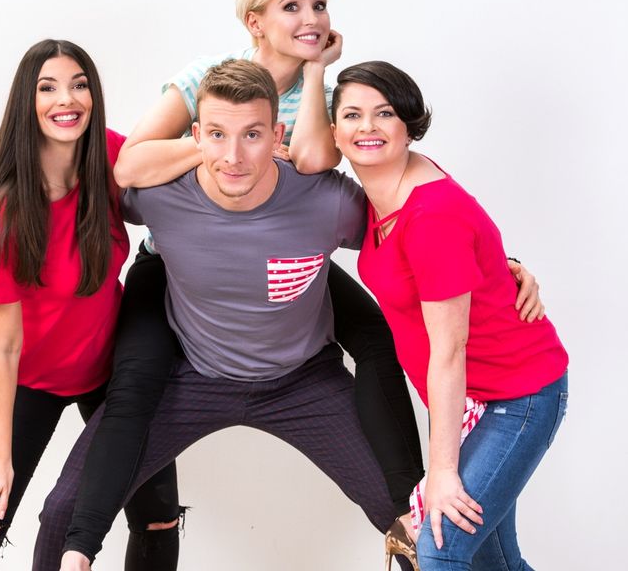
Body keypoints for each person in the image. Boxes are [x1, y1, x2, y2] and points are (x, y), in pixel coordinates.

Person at [58, 0, 544, 566]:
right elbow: (130, 165)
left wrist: (493, 264)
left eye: (319, 5)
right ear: (254, 21)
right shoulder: (208, 78)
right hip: (182, 256)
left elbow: (334, 171)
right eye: (292, 7)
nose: (311, 18)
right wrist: (223, 144)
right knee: (137, 377)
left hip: (286, 251)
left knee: (373, 334)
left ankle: (404, 505)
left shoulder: (331, 96)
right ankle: (81, 542)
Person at [35, 59, 412, 571]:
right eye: (217, 135)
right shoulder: (159, 197)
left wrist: (502, 266)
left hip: (304, 382)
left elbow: (417, 232)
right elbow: (62, 203)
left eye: (252, 135)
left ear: (278, 136)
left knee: (415, 519)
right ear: (195, 137)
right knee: (64, 516)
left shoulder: (327, 202)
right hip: (192, 379)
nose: (233, 157)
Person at [0, 39, 179, 571]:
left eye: (79, 84)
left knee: (158, 517)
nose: (67, 99)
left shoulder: (107, 155)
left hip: (107, 369)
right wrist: (0, 459)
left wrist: (215, 147)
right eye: (48, 88)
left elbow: (169, 161)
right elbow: (4, 348)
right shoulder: (5, 217)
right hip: (25, 379)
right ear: (28, 102)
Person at [330, 61, 569, 570]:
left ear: (409, 124)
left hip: (515, 397)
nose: (368, 127)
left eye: (384, 113)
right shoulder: (380, 190)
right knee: (494, 564)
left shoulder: (429, 212)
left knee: (440, 549)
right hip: (470, 398)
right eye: (352, 114)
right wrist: (505, 266)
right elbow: (465, 258)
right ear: (333, 130)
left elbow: (449, 348)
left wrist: (441, 472)